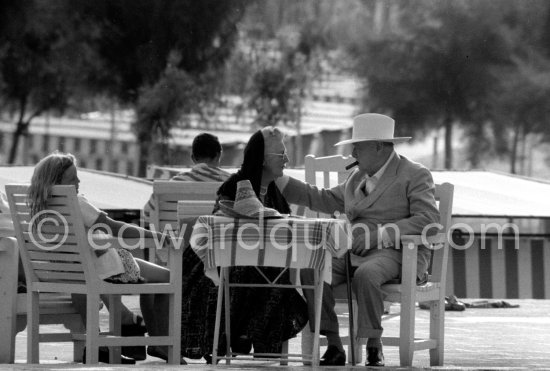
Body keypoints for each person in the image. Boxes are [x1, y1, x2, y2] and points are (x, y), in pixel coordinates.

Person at [276, 113, 440, 366]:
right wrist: (279, 180)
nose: (353, 153)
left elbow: (428, 219)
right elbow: (324, 199)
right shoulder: (356, 178)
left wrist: (379, 236)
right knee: (312, 268)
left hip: (397, 253)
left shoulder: (414, 174)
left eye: (358, 146)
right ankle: (333, 343)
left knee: (367, 274)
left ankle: (374, 344)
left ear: (378, 146)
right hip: (352, 251)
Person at [27, 152, 181, 364]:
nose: (79, 182)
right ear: (58, 181)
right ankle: (158, 341)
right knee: (167, 277)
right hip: (105, 269)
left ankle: (125, 330)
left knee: (155, 275)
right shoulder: (75, 202)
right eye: (73, 178)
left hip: (69, 274)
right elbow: (116, 228)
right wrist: (158, 236)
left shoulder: (37, 206)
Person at [178, 127, 308, 363]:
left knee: (274, 277)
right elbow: (222, 236)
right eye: (281, 155)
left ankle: (250, 338)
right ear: (263, 158)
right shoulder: (235, 186)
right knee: (263, 276)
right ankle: (242, 335)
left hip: (259, 269)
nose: (287, 160)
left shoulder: (274, 192)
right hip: (216, 268)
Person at [142, 132, 231, 225]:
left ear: (193, 158)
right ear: (218, 155)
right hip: (216, 237)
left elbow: (147, 215)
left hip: (174, 237)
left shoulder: (173, 184)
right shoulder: (229, 183)